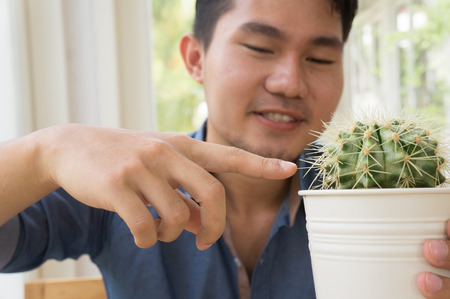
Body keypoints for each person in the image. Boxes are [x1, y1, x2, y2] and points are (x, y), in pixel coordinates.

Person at [0, 0, 448, 298]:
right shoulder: (123, 180)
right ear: (195, 59)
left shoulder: (383, 192)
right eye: (259, 47)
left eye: (320, 59)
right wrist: (47, 153)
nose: (290, 82)